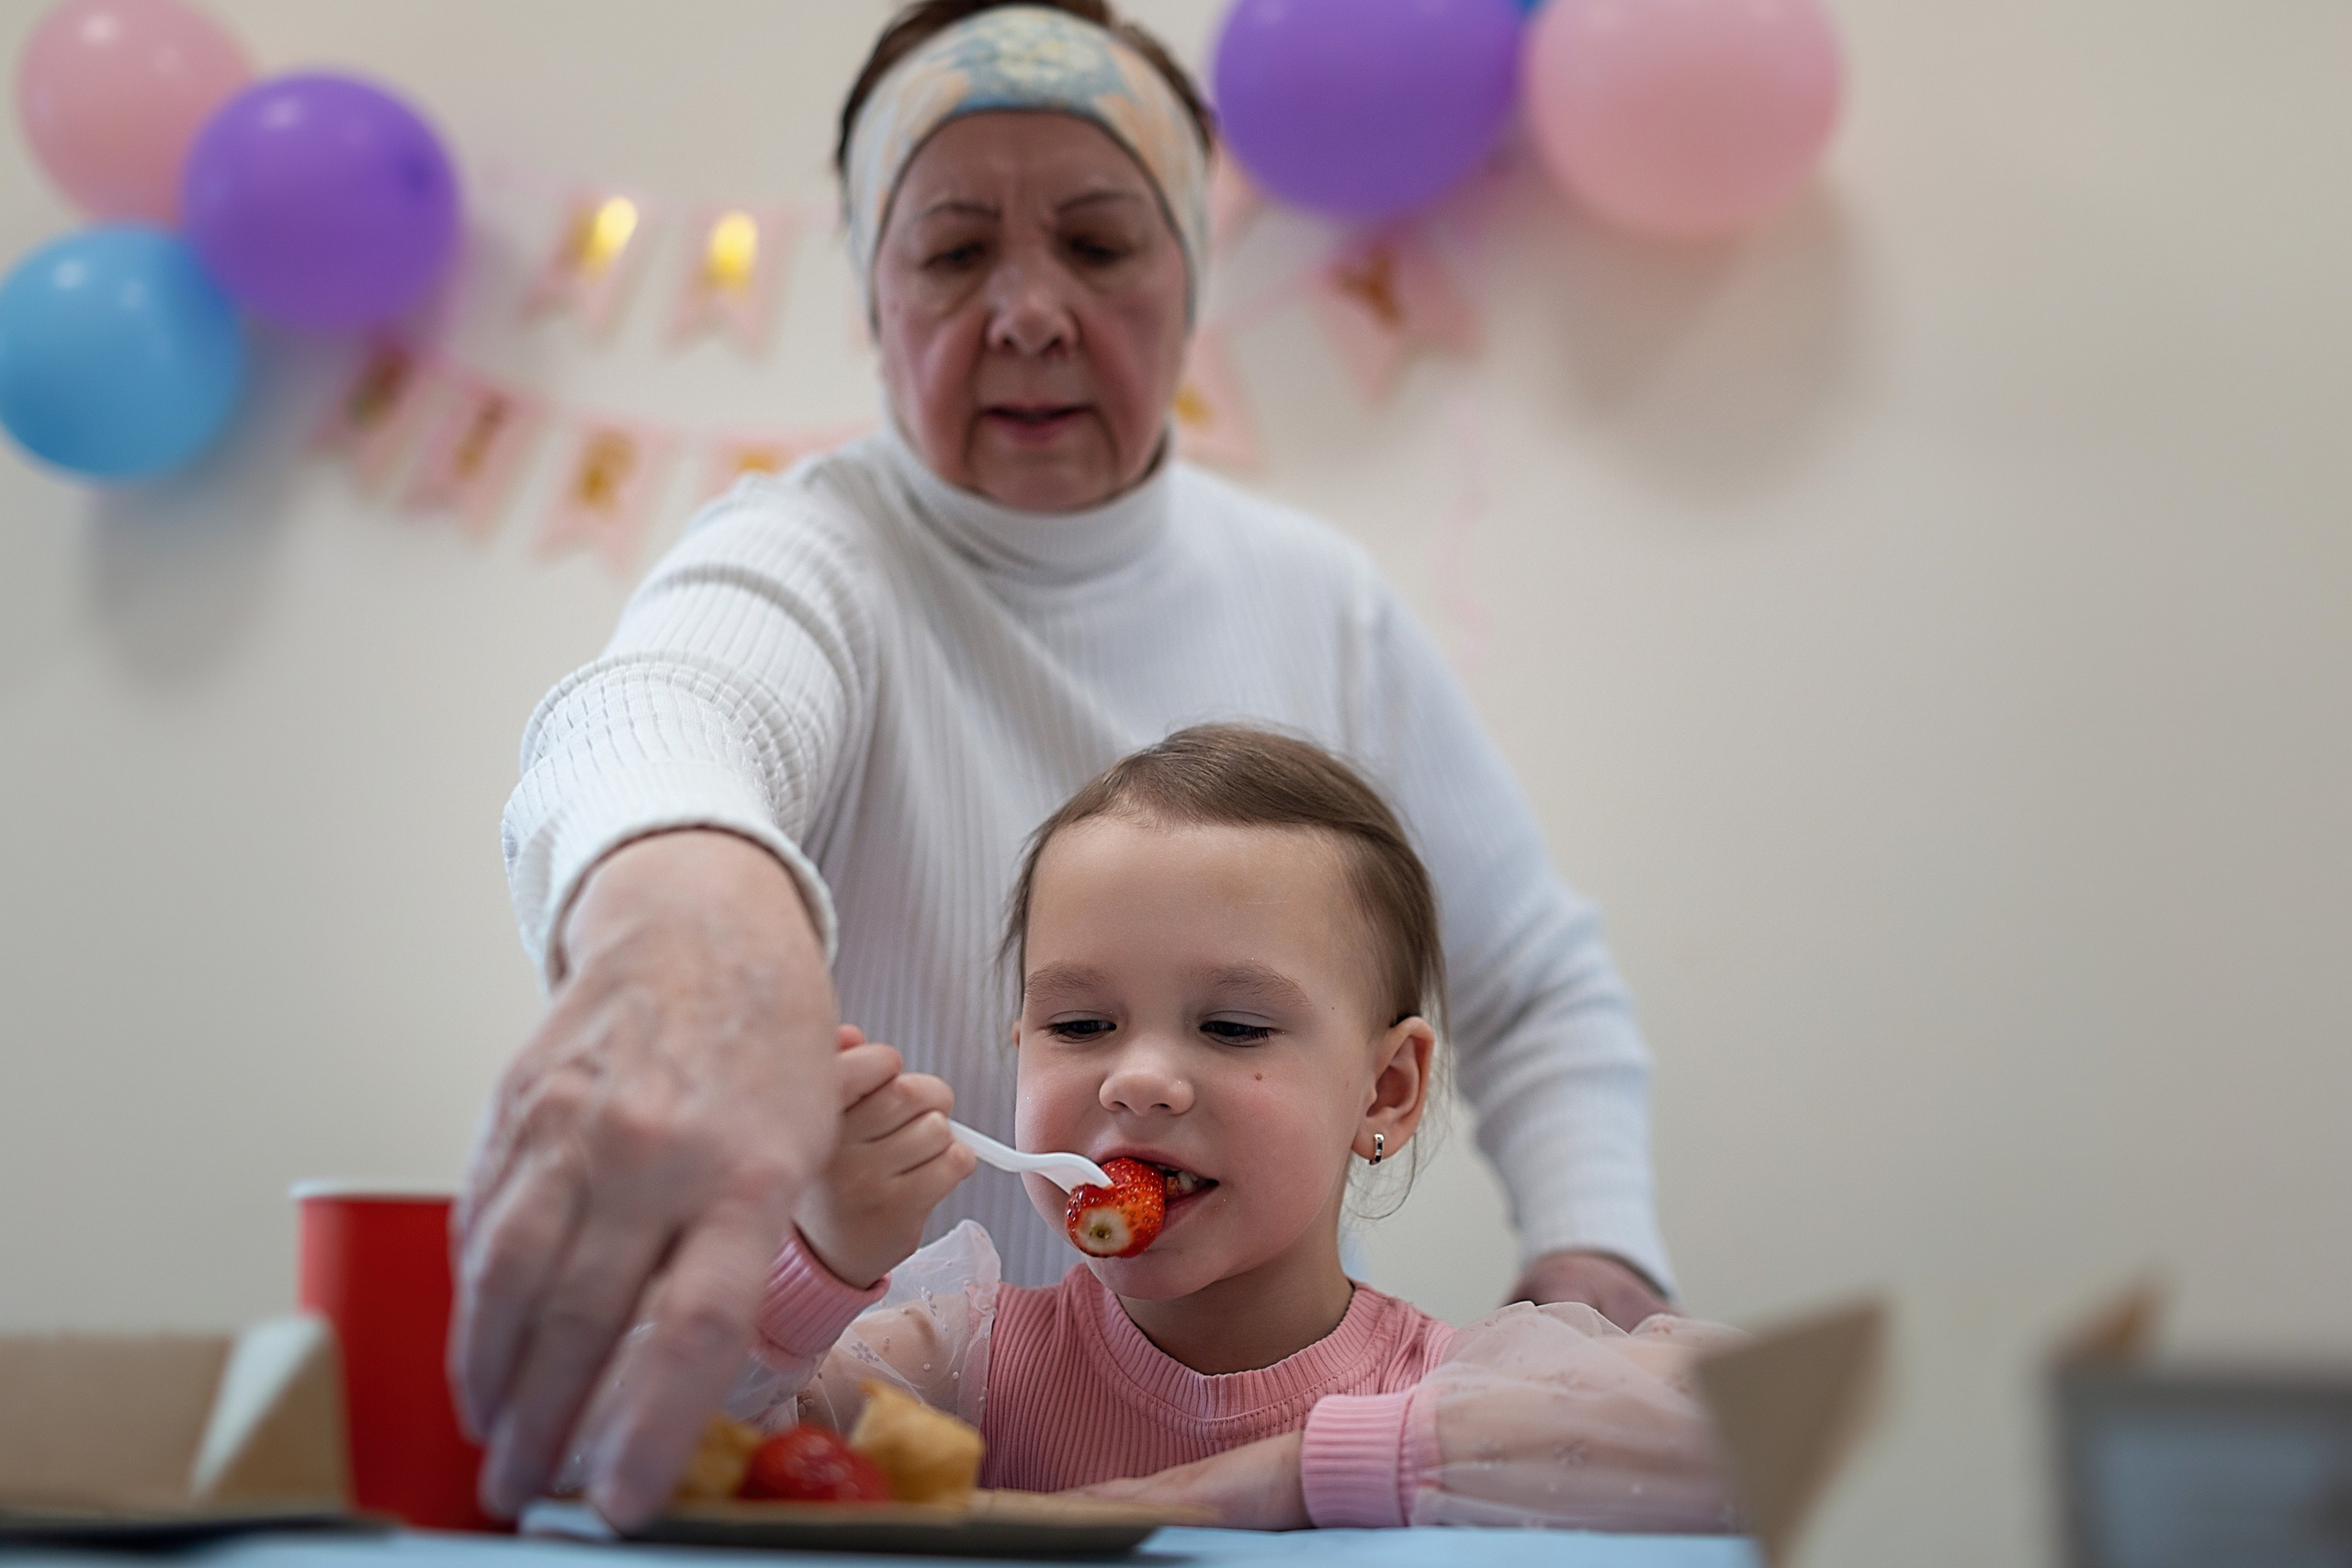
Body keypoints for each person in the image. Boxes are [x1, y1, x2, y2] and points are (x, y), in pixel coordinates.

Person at [462, 0, 1679, 1529]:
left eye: (1099, 246)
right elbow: (648, 716)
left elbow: (1534, 977)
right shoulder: (805, 556)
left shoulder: (1320, 601)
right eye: (955, 252)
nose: (1030, 312)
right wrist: (688, 923)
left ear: (1188, 276)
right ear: (871, 290)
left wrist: (1595, 1254)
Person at [710, 726, 1740, 1529]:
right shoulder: (959, 1371)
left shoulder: (1448, 1387)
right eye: (1079, 1025)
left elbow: (1760, 1425)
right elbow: (616, 1447)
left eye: (1234, 1025)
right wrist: (816, 1267)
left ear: (1384, 1090)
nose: (1141, 1080)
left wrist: (1302, 1473)